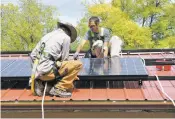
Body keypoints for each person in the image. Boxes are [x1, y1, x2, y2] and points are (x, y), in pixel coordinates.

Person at [30, 21, 82, 98]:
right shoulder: (66, 37)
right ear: (69, 32)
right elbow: (65, 59)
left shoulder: (46, 36)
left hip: (37, 75)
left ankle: (41, 83)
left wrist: (37, 72)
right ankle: (59, 88)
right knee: (78, 64)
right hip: (49, 73)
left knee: (55, 64)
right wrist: (72, 74)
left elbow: (33, 55)